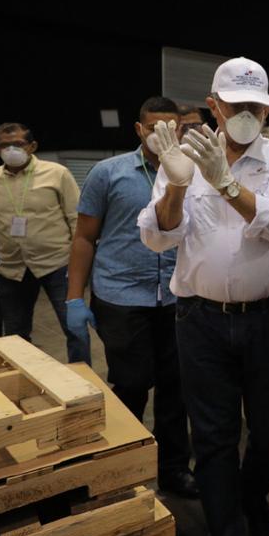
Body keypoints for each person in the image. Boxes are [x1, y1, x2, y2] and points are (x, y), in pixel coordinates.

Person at [138, 57, 269, 536]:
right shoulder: (178, 158)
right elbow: (159, 239)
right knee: (211, 438)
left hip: (268, 318)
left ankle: (251, 502)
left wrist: (226, 183)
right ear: (214, 106)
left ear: (268, 108)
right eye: (235, 106)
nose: (245, 116)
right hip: (202, 321)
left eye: (256, 107)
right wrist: (178, 187)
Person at [65, 97, 197, 499]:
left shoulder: (193, 174)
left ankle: (174, 469)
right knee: (132, 383)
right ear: (140, 130)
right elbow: (85, 237)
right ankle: (124, 466)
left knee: (177, 389)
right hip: (122, 296)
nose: (163, 136)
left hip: (177, 297)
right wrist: (74, 297)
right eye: (155, 128)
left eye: (171, 129)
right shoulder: (108, 173)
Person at [0, 123, 87, 363]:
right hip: (10, 267)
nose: (11, 149)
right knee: (15, 335)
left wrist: (80, 264)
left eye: (18, 144)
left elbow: (76, 218)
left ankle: (86, 378)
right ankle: (22, 381)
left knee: (75, 328)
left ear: (32, 146)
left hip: (56, 264)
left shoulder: (57, 173)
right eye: (5, 145)